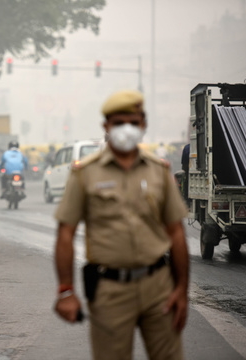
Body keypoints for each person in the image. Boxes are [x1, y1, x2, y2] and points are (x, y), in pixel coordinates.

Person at [53, 90, 189, 359]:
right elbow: (65, 234)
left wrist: (182, 290)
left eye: (133, 122)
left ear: (143, 124)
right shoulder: (85, 173)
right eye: (118, 123)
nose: (126, 129)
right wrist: (66, 291)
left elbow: (176, 232)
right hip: (109, 290)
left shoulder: (159, 171)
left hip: (159, 287)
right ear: (106, 127)